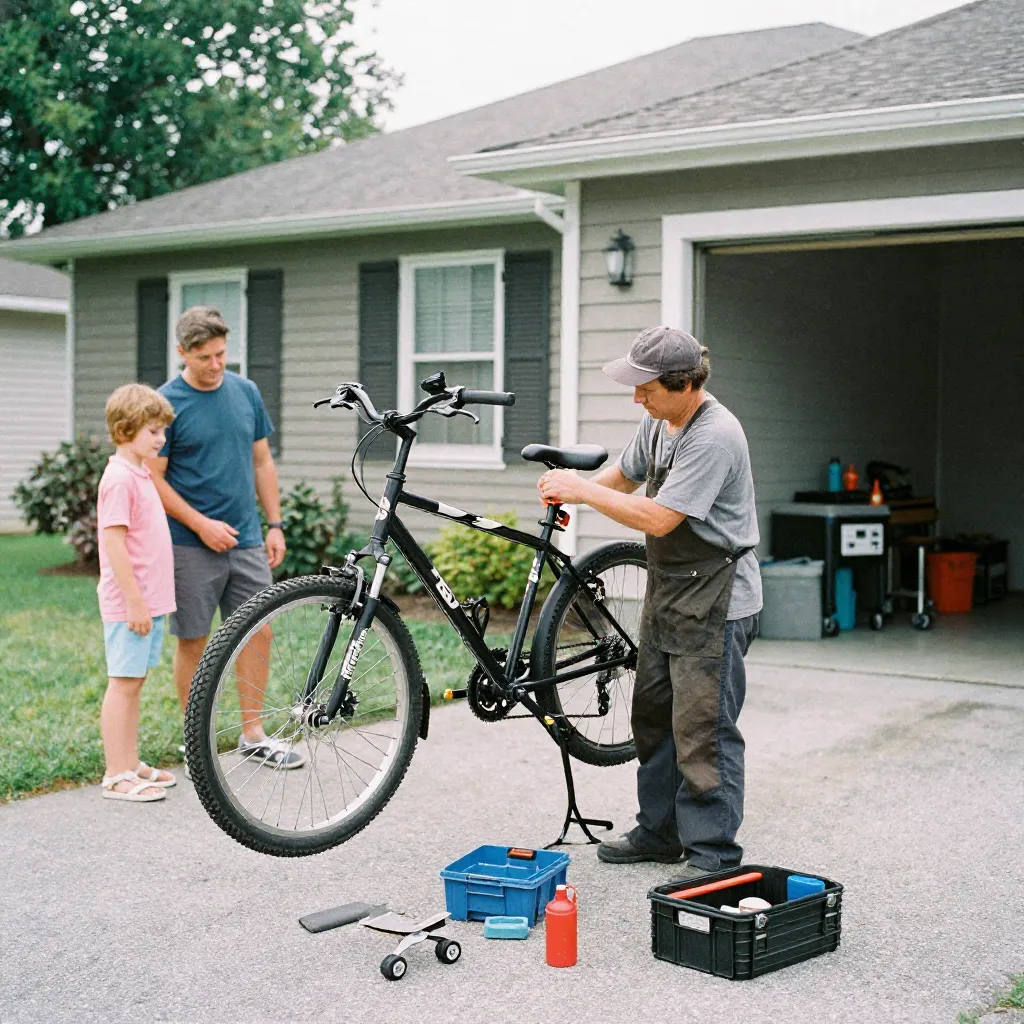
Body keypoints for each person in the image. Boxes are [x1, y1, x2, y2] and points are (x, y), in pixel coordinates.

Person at [538, 326, 761, 882]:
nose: (637, 397)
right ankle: (660, 833)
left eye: (648, 388)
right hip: (670, 587)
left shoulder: (715, 436)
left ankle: (712, 854)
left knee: (702, 727)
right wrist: (573, 494)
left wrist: (585, 492)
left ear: (685, 385)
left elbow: (661, 517)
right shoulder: (661, 420)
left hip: (718, 597)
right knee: (654, 716)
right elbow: (623, 478)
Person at [150, 305, 304, 769]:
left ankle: (252, 734)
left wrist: (274, 524)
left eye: (221, 355)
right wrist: (200, 524)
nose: (216, 365)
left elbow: (262, 462)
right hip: (189, 543)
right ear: (182, 353)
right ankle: (196, 740)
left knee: (259, 632)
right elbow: (153, 478)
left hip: (247, 539)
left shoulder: (246, 392)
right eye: (205, 358)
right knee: (194, 639)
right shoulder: (164, 404)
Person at [97, 384, 178, 802]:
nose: (161, 439)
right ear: (126, 429)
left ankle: (130, 761)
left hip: (148, 604)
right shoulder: (119, 479)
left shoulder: (141, 473)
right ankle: (116, 774)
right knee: (123, 684)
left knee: (136, 681)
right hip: (132, 604)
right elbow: (114, 544)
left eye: (162, 430)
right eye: (153, 431)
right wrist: (134, 600)